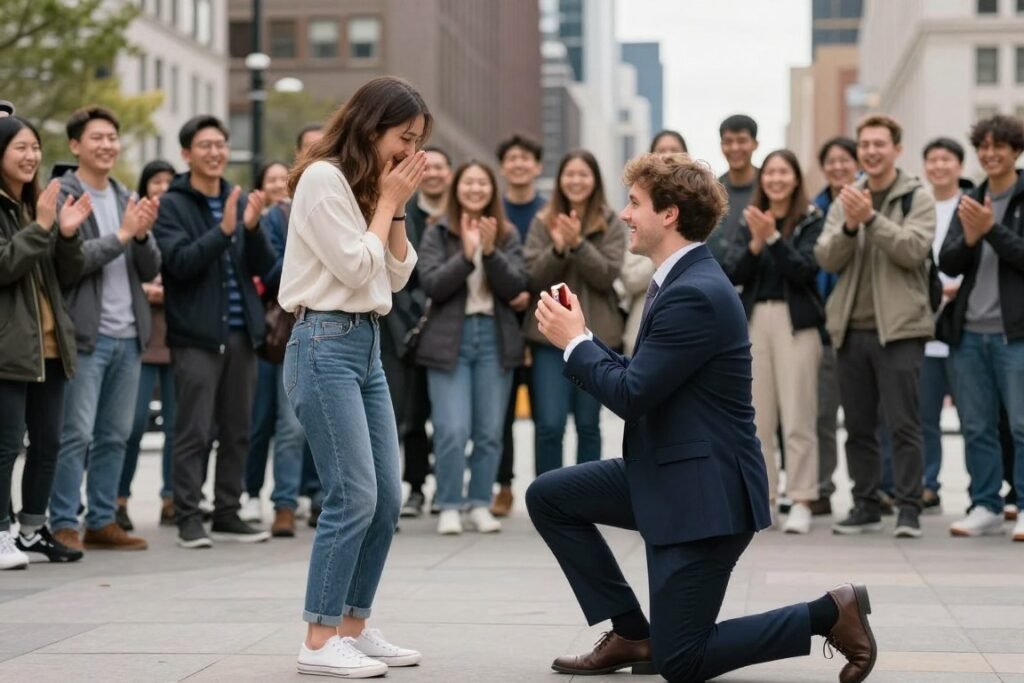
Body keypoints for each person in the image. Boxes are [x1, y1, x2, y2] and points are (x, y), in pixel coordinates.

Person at [527, 152, 876, 682]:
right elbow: (645, 374)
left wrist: (575, 344)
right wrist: (585, 336)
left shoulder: (695, 292)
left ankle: (829, 614)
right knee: (549, 497)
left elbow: (632, 394)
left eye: (635, 204)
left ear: (669, 215)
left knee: (681, 661)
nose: (624, 215)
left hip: (705, 496)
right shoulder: (680, 279)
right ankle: (631, 632)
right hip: (668, 471)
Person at [279, 76, 427, 678]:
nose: (409, 152)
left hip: (364, 345)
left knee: (387, 497)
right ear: (371, 127)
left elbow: (394, 275)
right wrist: (387, 202)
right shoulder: (323, 179)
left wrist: (394, 206)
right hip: (322, 341)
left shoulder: (368, 188)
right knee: (353, 494)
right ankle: (318, 640)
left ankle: (352, 627)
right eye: (404, 137)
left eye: (417, 141)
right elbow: (353, 263)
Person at [153, 115, 275, 549]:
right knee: (195, 430)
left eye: (221, 144)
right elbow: (179, 264)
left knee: (238, 427)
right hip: (197, 336)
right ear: (186, 154)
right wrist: (222, 232)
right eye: (205, 145)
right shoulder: (173, 204)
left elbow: (264, 269)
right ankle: (189, 514)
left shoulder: (238, 199)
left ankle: (227, 510)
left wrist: (252, 228)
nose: (215, 152)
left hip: (243, 334)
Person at [815, 114, 936, 539]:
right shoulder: (847, 198)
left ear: (897, 149)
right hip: (850, 328)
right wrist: (850, 223)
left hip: (901, 329)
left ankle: (908, 509)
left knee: (904, 424)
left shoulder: (915, 196)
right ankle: (865, 504)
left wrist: (870, 219)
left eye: (879, 144)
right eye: (864, 144)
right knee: (859, 427)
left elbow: (914, 250)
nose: (870, 151)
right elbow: (826, 257)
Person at [49, 106, 160, 552]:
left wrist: (141, 234)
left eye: (112, 137)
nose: (107, 145)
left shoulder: (125, 194)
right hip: (86, 335)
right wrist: (121, 236)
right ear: (76, 145)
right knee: (75, 433)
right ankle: (62, 522)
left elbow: (150, 266)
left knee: (117, 434)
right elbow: (68, 264)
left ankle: (102, 520)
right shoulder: (64, 194)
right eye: (96, 138)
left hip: (130, 333)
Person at [415, 161, 527, 535]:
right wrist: (465, 256)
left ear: (491, 190)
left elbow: (516, 287)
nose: (476, 189)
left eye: (482, 183)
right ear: (456, 188)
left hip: (494, 339)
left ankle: (479, 502)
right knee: (451, 429)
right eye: (469, 182)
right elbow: (430, 284)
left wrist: (491, 252)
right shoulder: (437, 232)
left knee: (490, 430)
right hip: (450, 340)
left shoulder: (507, 233)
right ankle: (448, 502)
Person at [0, 116, 90, 569]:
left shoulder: (40, 204)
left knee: (49, 443)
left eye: (35, 147)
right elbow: (3, 266)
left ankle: (33, 529)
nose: (31, 156)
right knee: (5, 443)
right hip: (9, 349)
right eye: (20, 147)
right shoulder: (18, 211)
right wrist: (40, 226)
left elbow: (67, 275)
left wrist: (67, 234)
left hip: (51, 347)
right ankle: (0, 532)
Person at [722, 149, 825, 534]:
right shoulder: (749, 219)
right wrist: (755, 242)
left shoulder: (812, 219)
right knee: (757, 419)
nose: (777, 179)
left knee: (799, 415)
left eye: (785, 172)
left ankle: (800, 498)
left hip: (795, 322)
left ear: (796, 178)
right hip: (753, 322)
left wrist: (775, 239)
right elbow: (732, 270)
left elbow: (805, 271)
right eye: (771, 173)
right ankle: (762, 499)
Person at [939, 115, 1024, 542]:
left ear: (1016, 150)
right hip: (969, 331)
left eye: (999, 146)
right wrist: (972, 237)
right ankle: (986, 504)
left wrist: (991, 231)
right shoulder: (970, 199)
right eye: (984, 146)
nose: (990, 154)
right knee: (977, 425)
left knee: (1022, 425)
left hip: (1016, 333)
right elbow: (947, 262)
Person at [524, 150, 627, 476]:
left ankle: (586, 497)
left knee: (587, 423)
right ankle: (548, 496)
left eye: (584, 174)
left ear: (595, 180)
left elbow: (607, 274)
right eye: (570, 174)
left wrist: (578, 244)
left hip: (594, 338)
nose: (576, 181)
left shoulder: (611, 222)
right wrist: (557, 248)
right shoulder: (542, 220)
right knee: (549, 424)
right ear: (559, 180)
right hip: (548, 336)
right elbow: (532, 275)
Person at [241, 158, 307, 538]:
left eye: (287, 178)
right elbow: (266, 271)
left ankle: (285, 502)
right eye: (274, 179)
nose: (281, 184)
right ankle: (257, 494)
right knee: (263, 421)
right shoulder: (268, 219)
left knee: (291, 425)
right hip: (273, 334)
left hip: (302, 329)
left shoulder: (312, 212)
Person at [117, 159, 177, 530]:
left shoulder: (181, 221)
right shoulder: (132, 220)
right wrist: (143, 289)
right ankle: (118, 499)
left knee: (177, 425)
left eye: (170, 182)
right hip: (140, 338)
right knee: (131, 424)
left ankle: (171, 499)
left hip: (176, 338)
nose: (163, 188)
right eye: (156, 181)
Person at [392, 146, 451, 520]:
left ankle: (447, 484)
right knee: (412, 414)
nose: (433, 174)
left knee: (449, 418)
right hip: (410, 327)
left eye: (441, 168)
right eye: (427, 168)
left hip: (449, 327)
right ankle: (415, 486)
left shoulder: (461, 214)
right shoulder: (405, 211)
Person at [492, 133, 545, 517]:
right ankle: (504, 486)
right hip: (501, 323)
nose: (519, 165)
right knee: (502, 412)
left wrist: (531, 292)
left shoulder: (549, 211)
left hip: (543, 323)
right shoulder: (495, 212)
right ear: (503, 167)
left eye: (526, 159)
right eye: (512, 159)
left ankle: (546, 487)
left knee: (546, 412)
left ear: (538, 167)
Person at [919, 137, 969, 514]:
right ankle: (928, 484)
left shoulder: (970, 204)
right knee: (925, 417)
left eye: (946, 159)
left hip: (964, 325)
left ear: (959, 165)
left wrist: (957, 289)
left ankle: (983, 492)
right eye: (932, 160)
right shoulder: (918, 205)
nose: (939, 166)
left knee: (975, 417)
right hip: (923, 329)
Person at [810, 136, 859, 516]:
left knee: (868, 417)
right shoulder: (815, 209)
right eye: (832, 161)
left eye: (846, 160)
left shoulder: (869, 201)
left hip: (863, 323)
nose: (839, 167)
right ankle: (823, 487)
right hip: (824, 325)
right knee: (823, 415)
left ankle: (876, 490)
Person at [707, 114, 759, 263]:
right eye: (728, 142)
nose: (735, 147)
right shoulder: (712, 192)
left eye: (742, 141)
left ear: (755, 144)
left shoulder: (769, 187)